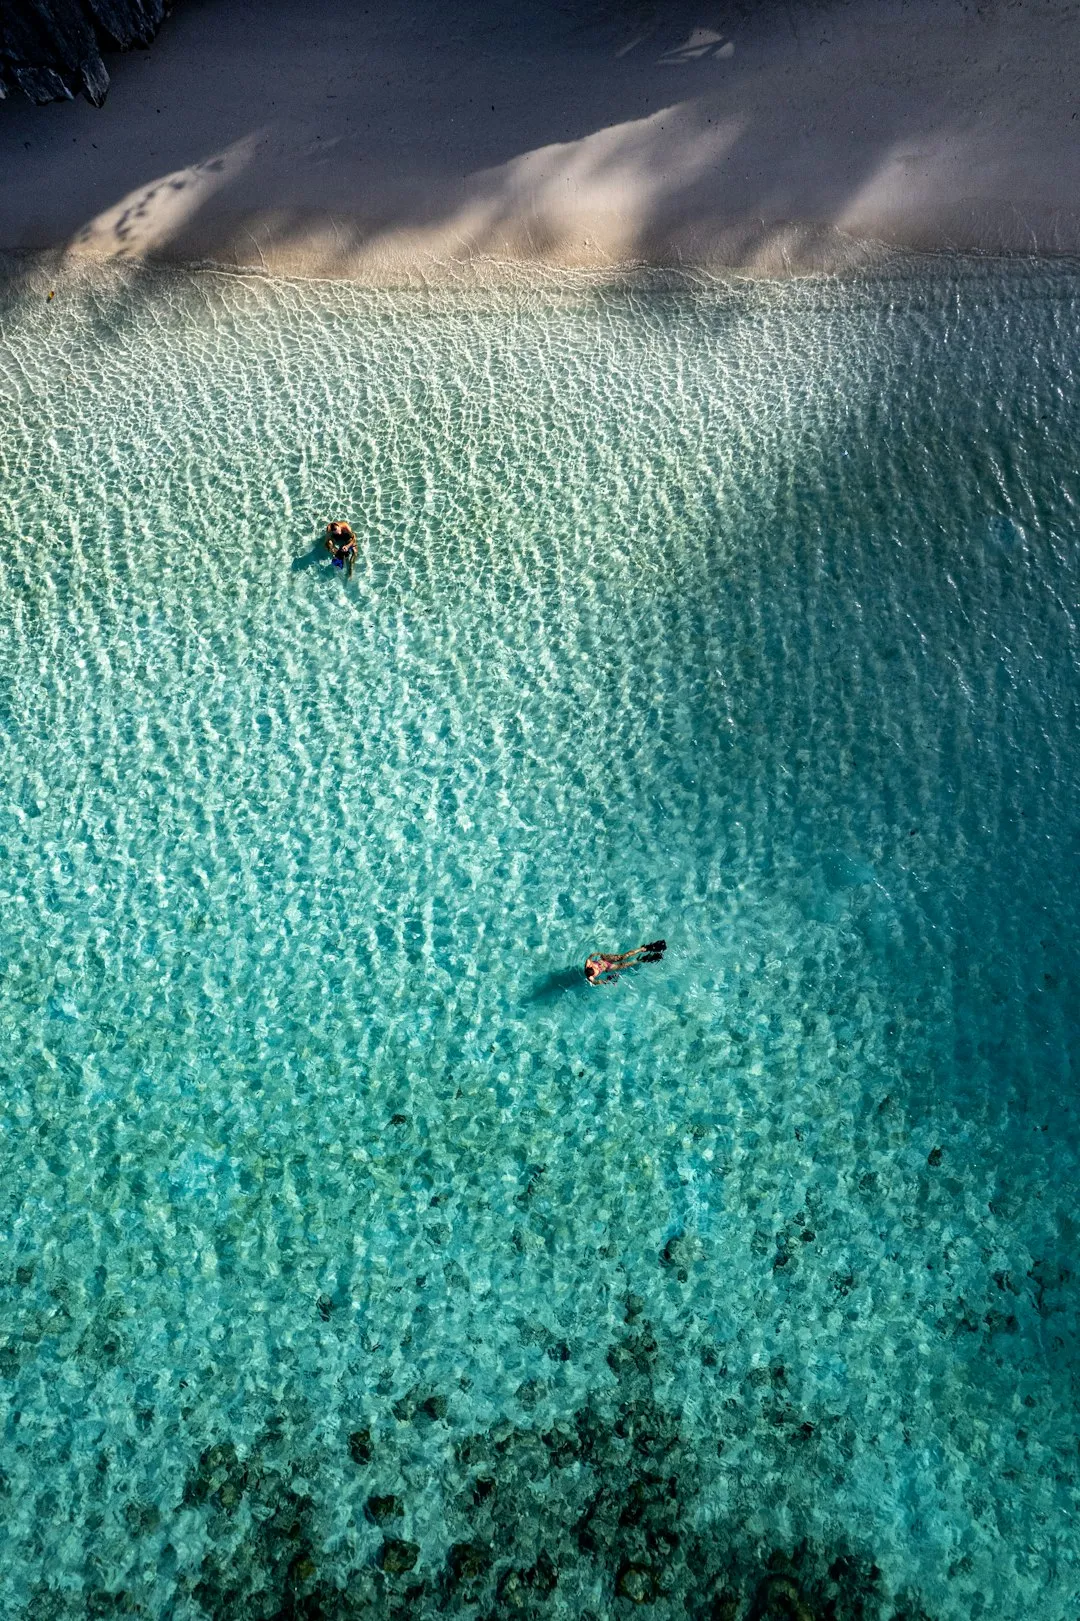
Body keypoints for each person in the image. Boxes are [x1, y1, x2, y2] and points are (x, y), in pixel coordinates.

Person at [584, 940, 666, 986]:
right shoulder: (590, 977)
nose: (598, 968)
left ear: (590, 967)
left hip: (605, 959)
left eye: (595, 968)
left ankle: (643, 949)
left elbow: (590, 957)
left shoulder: (588, 963)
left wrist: (598, 954)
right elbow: (595, 982)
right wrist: (604, 981)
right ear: (592, 975)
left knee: (623, 956)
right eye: (597, 971)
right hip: (608, 967)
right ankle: (641, 959)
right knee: (624, 965)